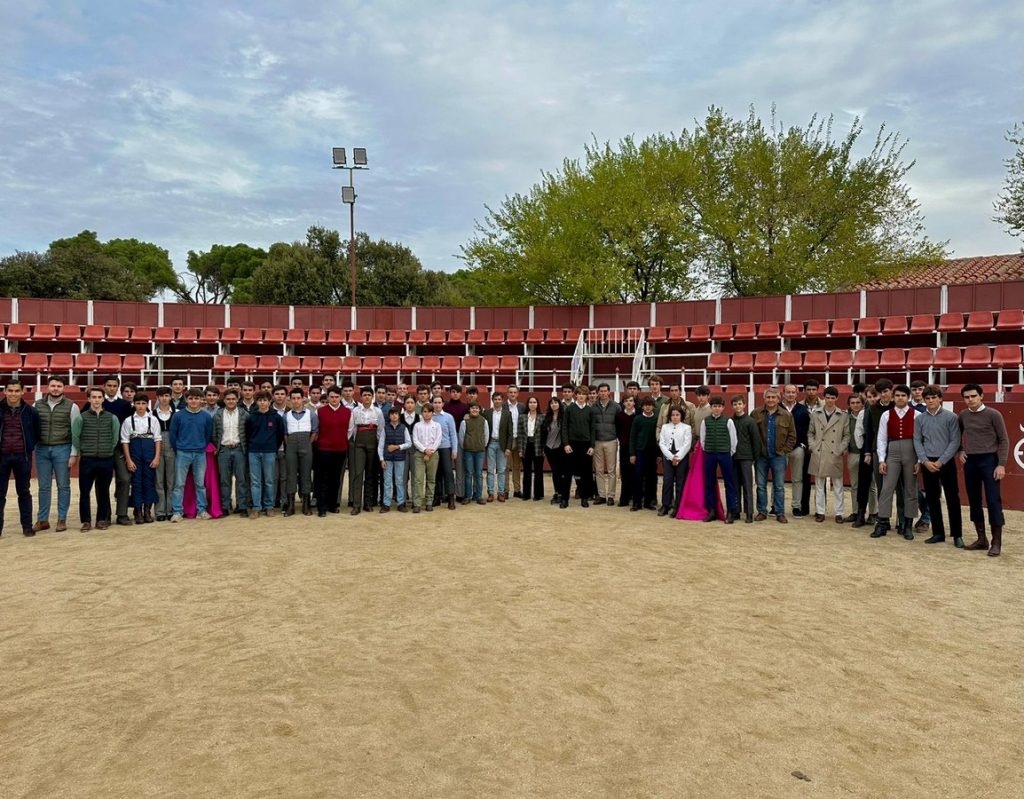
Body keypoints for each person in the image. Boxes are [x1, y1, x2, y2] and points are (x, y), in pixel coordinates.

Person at [957, 383, 1009, 556]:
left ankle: (996, 542)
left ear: (981, 396)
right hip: (971, 461)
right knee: (974, 500)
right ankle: (981, 539)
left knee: (993, 500)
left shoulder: (994, 414)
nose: (970, 400)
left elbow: (1004, 440)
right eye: (966, 397)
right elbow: (957, 435)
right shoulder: (963, 415)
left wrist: (1001, 464)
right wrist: (960, 450)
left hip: (990, 461)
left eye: (973, 396)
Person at [913, 385, 963, 548]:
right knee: (932, 498)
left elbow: (955, 441)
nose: (930, 401)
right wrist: (925, 461)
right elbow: (917, 441)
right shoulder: (920, 419)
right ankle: (938, 533)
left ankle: (957, 534)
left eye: (934, 397)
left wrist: (941, 461)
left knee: (952, 498)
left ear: (940, 398)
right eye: (927, 398)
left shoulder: (951, 417)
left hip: (946, 462)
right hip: (928, 462)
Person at [872, 384, 920, 540]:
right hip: (892, 452)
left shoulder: (917, 415)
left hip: (911, 451)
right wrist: (881, 459)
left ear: (908, 398)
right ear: (893, 397)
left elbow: (921, 440)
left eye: (903, 395)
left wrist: (919, 460)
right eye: (898, 395)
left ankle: (907, 525)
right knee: (886, 488)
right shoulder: (886, 415)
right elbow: (881, 438)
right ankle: (883, 522)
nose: (900, 398)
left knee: (910, 489)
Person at [33, 375, 79, 533]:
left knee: (63, 486)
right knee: (43, 487)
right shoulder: (37, 405)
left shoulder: (72, 406)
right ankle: (43, 519)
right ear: (47, 387)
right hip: (42, 449)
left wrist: (73, 453)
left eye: (59, 386)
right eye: (53, 386)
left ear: (63, 388)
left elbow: (75, 432)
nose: (55, 389)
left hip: (63, 448)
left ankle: (61, 519)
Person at [70, 388, 120, 532]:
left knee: (103, 491)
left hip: (106, 459)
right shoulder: (81, 417)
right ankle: (86, 521)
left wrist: (107, 449)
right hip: (88, 459)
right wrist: (84, 449)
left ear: (103, 399)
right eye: (94, 397)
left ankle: (101, 519)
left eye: (99, 397)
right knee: (85, 491)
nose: (96, 400)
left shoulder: (112, 417)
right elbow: (75, 436)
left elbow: (115, 437)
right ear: (89, 399)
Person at [0, 380, 41, 537]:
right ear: (5, 391)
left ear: (23, 392)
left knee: (24, 492)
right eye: (10, 390)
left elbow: (37, 432)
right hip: (1, 457)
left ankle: (27, 526)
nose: (13, 394)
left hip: (22, 456)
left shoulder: (30, 411)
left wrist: (29, 445)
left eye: (17, 391)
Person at [168, 388, 214, 523]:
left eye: (197, 398)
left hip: (200, 453)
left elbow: (207, 435)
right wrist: (180, 448)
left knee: (200, 484)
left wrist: (201, 446)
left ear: (201, 400)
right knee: (179, 484)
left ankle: (202, 510)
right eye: (191, 398)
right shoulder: (178, 416)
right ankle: (177, 511)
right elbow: (173, 435)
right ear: (186, 400)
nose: (194, 401)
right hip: (183, 453)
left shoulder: (206, 416)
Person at [751, 387, 795, 524]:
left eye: (773, 397)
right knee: (761, 485)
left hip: (778, 456)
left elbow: (792, 436)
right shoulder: (756, 413)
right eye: (768, 397)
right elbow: (751, 435)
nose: (771, 400)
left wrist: (784, 451)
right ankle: (762, 511)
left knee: (779, 486)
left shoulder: (787, 415)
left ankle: (780, 512)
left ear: (778, 399)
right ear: (764, 399)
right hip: (761, 456)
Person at [808, 386, 850, 523]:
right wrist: (813, 446)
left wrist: (840, 449)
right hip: (819, 452)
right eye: (828, 397)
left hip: (834, 453)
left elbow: (846, 435)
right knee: (819, 485)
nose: (830, 400)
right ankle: (820, 511)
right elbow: (811, 433)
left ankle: (839, 512)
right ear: (824, 398)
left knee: (838, 485)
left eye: (833, 398)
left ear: (836, 399)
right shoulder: (815, 414)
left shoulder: (843, 415)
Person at [121, 393, 161, 524]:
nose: (141, 406)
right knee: (136, 482)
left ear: (147, 404)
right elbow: (125, 441)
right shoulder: (128, 421)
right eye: (138, 403)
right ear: (134, 404)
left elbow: (157, 440)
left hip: (150, 453)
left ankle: (147, 510)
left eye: (143, 403)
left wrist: (156, 457)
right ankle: (137, 510)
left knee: (149, 481)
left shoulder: (153, 419)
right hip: (135, 453)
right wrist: (128, 459)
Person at [245, 390, 285, 517]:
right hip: (254, 452)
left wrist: (272, 447)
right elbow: (247, 434)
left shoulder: (276, 417)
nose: (262, 403)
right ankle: (256, 507)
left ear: (269, 401)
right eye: (260, 400)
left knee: (269, 480)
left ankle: (269, 506)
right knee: (255, 481)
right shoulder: (251, 417)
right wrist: (252, 446)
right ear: (256, 402)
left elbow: (280, 435)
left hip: (269, 452)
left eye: (265, 400)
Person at [102, 376, 135, 526]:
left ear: (117, 387)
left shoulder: (125, 405)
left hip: (120, 449)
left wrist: (127, 449)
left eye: (114, 386)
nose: (111, 388)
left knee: (125, 479)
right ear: (104, 386)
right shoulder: (98, 402)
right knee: (103, 482)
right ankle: (105, 515)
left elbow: (130, 428)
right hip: (102, 449)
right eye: (109, 385)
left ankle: (122, 514)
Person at [700, 396, 738, 523]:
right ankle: (711, 511)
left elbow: (733, 440)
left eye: (719, 406)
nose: (717, 408)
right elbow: (703, 439)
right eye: (714, 406)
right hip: (710, 454)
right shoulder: (705, 421)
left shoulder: (728, 421)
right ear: (711, 408)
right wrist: (708, 450)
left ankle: (731, 511)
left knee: (729, 483)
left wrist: (729, 452)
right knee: (709, 483)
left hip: (725, 454)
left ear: (723, 408)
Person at [315, 387, 351, 517]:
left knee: (335, 479)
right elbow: (317, 430)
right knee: (322, 478)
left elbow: (350, 430)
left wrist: (342, 442)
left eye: (336, 397)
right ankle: (321, 506)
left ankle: (332, 504)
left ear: (340, 397)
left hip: (340, 449)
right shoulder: (320, 411)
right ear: (328, 398)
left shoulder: (347, 412)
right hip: (324, 449)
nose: (334, 399)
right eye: (332, 397)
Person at [213, 388, 249, 517]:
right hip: (224, 449)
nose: (231, 401)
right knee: (224, 480)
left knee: (241, 479)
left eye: (233, 399)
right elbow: (214, 433)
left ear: (237, 400)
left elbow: (248, 433)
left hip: (239, 448)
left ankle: (242, 506)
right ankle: (225, 506)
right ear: (224, 400)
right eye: (228, 399)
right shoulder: (218, 414)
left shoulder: (244, 413)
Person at [282, 388, 318, 516]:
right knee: (291, 475)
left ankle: (306, 505)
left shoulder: (311, 414)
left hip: (306, 445)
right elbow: (285, 434)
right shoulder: (286, 416)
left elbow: (314, 432)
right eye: (293, 398)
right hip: (291, 446)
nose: (296, 401)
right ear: (290, 399)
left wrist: (308, 443)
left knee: (306, 475)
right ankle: (291, 506)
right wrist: (290, 445)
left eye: (298, 398)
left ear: (303, 398)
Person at [349, 386, 385, 515]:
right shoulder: (355, 411)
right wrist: (351, 442)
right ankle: (356, 505)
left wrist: (379, 447)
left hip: (372, 443)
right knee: (358, 473)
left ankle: (368, 503)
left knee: (370, 474)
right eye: (364, 395)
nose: (367, 397)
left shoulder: (377, 412)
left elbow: (380, 430)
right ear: (361, 397)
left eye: (369, 395)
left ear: (372, 396)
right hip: (359, 443)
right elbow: (351, 429)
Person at [561, 385, 596, 508]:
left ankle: (584, 498)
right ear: (576, 395)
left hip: (585, 445)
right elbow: (564, 427)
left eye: (584, 394)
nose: (581, 396)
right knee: (568, 473)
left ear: (587, 396)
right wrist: (566, 444)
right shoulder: (569, 409)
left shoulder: (590, 410)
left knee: (586, 473)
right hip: (571, 444)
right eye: (579, 394)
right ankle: (564, 499)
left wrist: (592, 445)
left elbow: (593, 429)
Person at [730, 394, 761, 524]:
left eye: (739, 404)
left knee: (747, 486)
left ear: (744, 405)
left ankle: (749, 513)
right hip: (733, 457)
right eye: (735, 404)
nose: (737, 406)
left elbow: (756, 441)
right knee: (735, 485)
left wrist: (754, 457)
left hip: (747, 457)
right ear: (732, 406)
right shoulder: (730, 421)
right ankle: (736, 511)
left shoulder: (750, 421)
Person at [781, 384, 810, 518]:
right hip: (781, 449)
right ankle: (776, 506)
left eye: (793, 392)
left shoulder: (803, 410)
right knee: (778, 479)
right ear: (783, 393)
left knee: (797, 479)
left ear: (796, 394)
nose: (791, 394)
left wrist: (803, 444)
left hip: (798, 448)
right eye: (788, 392)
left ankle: (796, 506)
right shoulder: (777, 408)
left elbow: (808, 429)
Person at [658, 405, 692, 516]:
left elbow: (687, 444)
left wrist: (678, 457)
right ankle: (666, 505)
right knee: (667, 481)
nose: (675, 417)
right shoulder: (665, 427)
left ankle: (678, 506)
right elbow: (662, 443)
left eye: (677, 415)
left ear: (681, 416)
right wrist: (670, 456)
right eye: (673, 415)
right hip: (668, 456)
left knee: (680, 482)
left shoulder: (686, 427)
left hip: (681, 457)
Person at [379, 405, 411, 513]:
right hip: (387, 458)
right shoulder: (385, 428)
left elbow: (409, 443)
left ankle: (401, 503)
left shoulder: (403, 428)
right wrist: (382, 459)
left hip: (400, 458)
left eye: (396, 414)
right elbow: (381, 444)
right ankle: (386, 504)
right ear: (389, 416)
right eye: (392, 414)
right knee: (387, 482)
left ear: (399, 416)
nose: (394, 416)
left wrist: (397, 447)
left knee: (399, 481)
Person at [591, 383, 620, 506]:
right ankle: (602, 495)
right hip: (597, 441)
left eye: (605, 391)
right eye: (601, 391)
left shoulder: (616, 407)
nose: (603, 393)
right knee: (599, 470)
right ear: (598, 393)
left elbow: (619, 423)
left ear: (609, 392)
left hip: (611, 440)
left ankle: (611, 496)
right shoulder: (593, 407)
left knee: (612, 470)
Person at [629, 397, 659, 512]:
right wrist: (632, 453)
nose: (648, 407)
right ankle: (637, 502)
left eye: (650, 405)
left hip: (652, 453)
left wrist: (658, 455)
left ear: (653, 406)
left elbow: (659, 439)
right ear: (642, 406)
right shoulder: (637, 419)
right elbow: (632, 437)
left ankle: (648, 502)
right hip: (640, 452)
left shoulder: (656, 419)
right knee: (638, 477)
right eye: (646, 405)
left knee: (651, 478)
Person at [482, 392, 513, 502]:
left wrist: (508, 447)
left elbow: (510, 432)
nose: (497, 401)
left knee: (501, 470)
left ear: (502, 400)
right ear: (492, 400)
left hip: (502, 445)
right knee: (490, 470)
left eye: (499, 399)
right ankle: (490, 493)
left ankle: (501, 492)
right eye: (495, 399)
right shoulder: (487, 412)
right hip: (490, 443)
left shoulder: (507, 414)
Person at [411, 402, 442, 513]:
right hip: (420, 454)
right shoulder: (417, 425)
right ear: (422, 413)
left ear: (432, 413)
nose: (427, 414)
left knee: (431, 479)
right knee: (419, 479)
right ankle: (417, 503)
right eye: (424, 411)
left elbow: (438, 440)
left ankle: (429, 502)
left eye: (429, 411)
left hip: (433, 454)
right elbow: (415, 440)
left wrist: (430, 452)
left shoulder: (437, 425)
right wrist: (424, 450)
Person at [430, 395, 459, 510]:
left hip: (446, 448)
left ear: (443, 404)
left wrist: (454, 450)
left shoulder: (448, 417)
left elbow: (453, 434)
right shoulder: (429, 417)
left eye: (439, 402)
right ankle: (437, 497)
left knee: (448, 473)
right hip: (433, 449)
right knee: (436, 473)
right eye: (435, 402)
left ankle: (451, 497)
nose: (437, 404)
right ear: (432, 404)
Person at [459, 402, 489, 505]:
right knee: (469, 474)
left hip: (480, 451)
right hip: (468, 451)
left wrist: (482, 445)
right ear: (469, 410)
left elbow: (486, 435)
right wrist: (466, 446)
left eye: (476, 408)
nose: (475, 410)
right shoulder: (465, 422)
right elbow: (461, 437)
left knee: (479, 474)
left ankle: (478, 496)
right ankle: (468, 496)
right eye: (472, 408)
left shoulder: (484, 421)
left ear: (479, 410)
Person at [153, 387, 176, 521]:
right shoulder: (152, 414)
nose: (164, 398)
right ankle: (160, 511)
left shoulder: (177, 413)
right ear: (157, 398)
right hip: (158, 447)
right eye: (161, 396)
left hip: (172, 448)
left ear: (170, 397)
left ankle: (171, 509)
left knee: (171, 480)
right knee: (159, 481)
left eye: (166, 395)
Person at [517, 396, 545, 501]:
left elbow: (544, 434)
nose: (532, 404)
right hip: (526, 445)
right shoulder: (522, 417)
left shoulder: (542, 417)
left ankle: (538, 494)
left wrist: (543, 449)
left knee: (538, 471)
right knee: (527, 471)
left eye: (534, 402)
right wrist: (520, 449)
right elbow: (520, 434)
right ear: (527, 404)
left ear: (537, 404)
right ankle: (526, 494)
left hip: (538, 446)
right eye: (530, 402)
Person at [444, 384, 470, 499]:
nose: (455, 394)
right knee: (447, 468)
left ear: (460, 393)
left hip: (460, 438)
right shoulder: (445, 407)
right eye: (453, 391)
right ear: (450, 393)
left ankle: (460, 493)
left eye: (457, 392)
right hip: (446, 439)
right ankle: (447, 493)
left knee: (460, 468)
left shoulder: (465, 407)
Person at [542, 399, 565, 507]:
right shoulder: (547, 418)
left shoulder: (564, 417)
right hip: (549, 448)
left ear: (559, 404)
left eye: (556, 403)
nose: (554, 405)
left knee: (560, 471)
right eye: (551, 403)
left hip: (560, 448)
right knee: (554, 471)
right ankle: (557, 492)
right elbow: (543, 433)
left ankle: (562, 493)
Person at [615, 395, 636, 508]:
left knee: (635, 473)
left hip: (636, 448)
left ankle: (635, 497)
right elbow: (618, 431)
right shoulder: (619, 416)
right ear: (623, 403)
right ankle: (624, 498)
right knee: (625, 473)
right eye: (626, 401)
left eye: (631, 401)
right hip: (624, 447)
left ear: (634, 403)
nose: (629, 403)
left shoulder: (637, 415)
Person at [505, 384, 526, 498]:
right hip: (507, 440)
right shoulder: (503, 406)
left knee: (517, 467)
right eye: (510, 392)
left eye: (514, 392)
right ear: (507, 393)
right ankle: (506, 490)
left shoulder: (522, 407)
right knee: (506, 466)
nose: (512, 394)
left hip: (518, 439)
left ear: (517, 394)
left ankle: (517, 490)